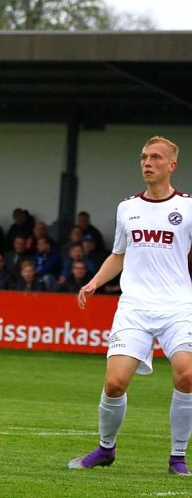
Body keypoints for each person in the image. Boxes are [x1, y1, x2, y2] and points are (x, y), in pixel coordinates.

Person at [69, 136, 192, 475]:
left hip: (178, 306)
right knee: (114, 383)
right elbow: (118, 255)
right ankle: (105, 449)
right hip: (134, 307)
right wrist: (94, 282)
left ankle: (177, 458)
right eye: (144, 157)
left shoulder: (188, 207)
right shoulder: (127, 208)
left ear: (172, 165)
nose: (147, 163)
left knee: (187, 375)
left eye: (156, 157)